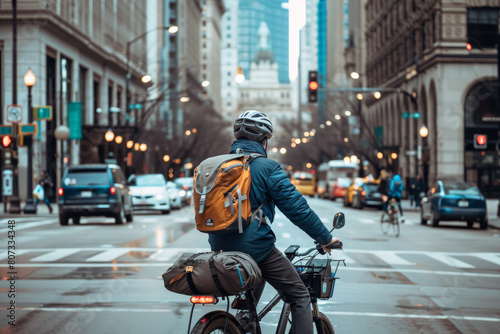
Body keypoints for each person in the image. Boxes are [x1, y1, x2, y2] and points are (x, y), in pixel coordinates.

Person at [208, 110, 340, 334]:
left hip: (218, 245)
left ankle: (244, 320)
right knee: (299, 294)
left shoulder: (218, 166)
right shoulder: (268, 168)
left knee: (254, 275)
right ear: (263, 140)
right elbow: (297, 209)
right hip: (254, 247)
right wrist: (325, 238)